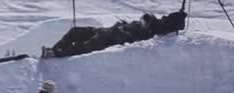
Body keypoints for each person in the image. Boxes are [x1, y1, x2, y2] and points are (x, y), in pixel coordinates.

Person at [42, 11, 186, 58]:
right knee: (75, 32)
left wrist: (178, 21)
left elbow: (163, 27)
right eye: (142, 19)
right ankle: (53, 49)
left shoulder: (144, 34)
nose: (141, 21)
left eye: (144, 22)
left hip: (107, 40)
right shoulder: (145, 23)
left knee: (82, 47)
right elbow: (164, 21)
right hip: (103, 31)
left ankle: (56, 54)